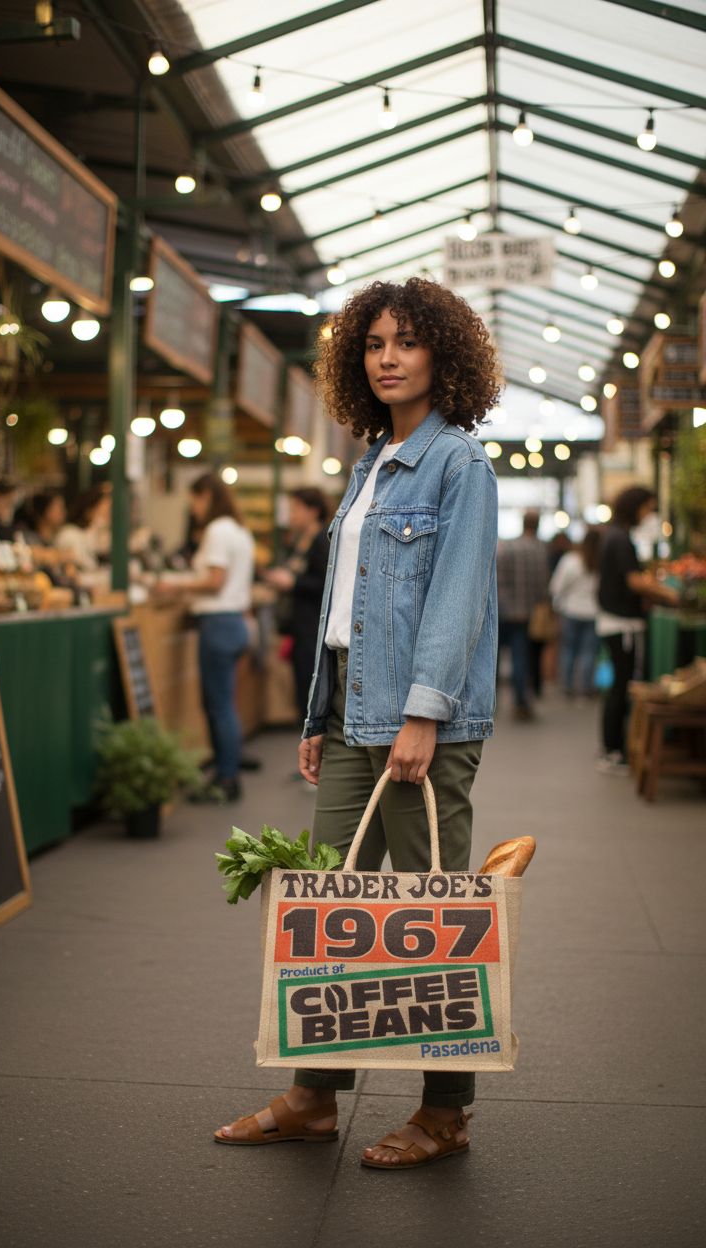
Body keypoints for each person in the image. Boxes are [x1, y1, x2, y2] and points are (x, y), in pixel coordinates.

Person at [215, 276, 500, 1169]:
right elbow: (346, 605)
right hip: (350, 709)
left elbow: (456, 602)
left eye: (407, 342)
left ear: (441, 355)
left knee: (429, 913)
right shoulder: (372, 460)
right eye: (375, 343)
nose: (387, 357)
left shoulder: (460, 464)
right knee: (326, 904)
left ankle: (446, 1110)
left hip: (423, 722)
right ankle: (313, 1094)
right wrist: (322, 711)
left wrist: (422, 717)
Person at [159, 473, 255, 802]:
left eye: (194, 501)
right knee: (223, 703)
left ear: (206, 497)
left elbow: (215, 581)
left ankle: (226, 779)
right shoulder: (240, 531)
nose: (193, 509)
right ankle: (225, 772)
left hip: (218, 623)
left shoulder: (217, 531)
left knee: (218, 705)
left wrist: (175, 584)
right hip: (235, 622)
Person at [596, 486, 678, 774]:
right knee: (622, 684)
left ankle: (613, 748)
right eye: (648, 507)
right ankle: (614, 751)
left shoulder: (615, 535)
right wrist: (668, 594)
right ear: (636, 506)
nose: (649, 514)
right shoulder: (620, 538)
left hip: (614, 622)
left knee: (620, 684)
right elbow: (635, 582)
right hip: (622, 624)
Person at [264, 487, 330, 723]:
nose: (291, 515)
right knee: (301, 690)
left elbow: (325, 582)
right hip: (300, 627)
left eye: (295, 509)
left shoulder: (322, 540)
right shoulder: (300, 541)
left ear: (313, 511)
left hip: (312, 628)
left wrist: (293, 582)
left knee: (310, 691)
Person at [496, 510, 550, 720]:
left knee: (495, 660)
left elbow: (497, 576)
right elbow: (543, 583)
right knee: (521, 659)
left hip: (503, 610)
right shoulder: (540, 550)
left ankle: (490, 703)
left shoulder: (509, 547)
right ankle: (520, 703)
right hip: (526, 611)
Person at [550, 528, 601, 698]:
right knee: (589, 652)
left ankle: (567, 685)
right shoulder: (600, 562)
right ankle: (586, 687)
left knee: (569, 649)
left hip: (571, 611)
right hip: (593, 613)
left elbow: (556, 586)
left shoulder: (570, 561)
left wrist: (557, 605)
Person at [56, 486, 111, 573]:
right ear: (89, 511)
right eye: (105, 512)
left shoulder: (94, 535)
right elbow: (79, 569)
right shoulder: (70, 534)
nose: (109, 518)